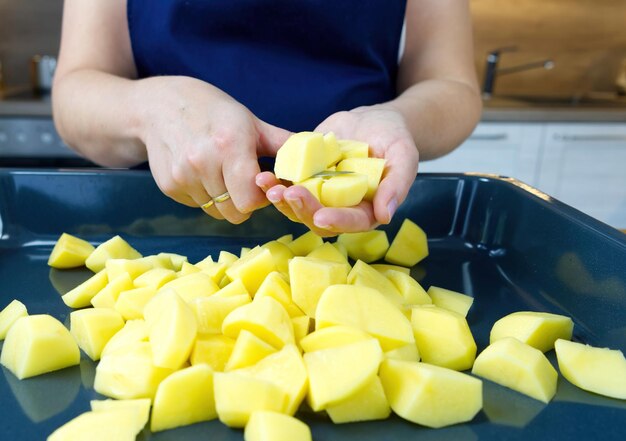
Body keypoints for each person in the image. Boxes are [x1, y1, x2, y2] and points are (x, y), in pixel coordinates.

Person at [52, 0, 482, 236]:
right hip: (166, 230)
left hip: (359, 230)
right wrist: (150, 108)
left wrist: (397, 118)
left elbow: (452, 84)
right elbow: (74, 92)